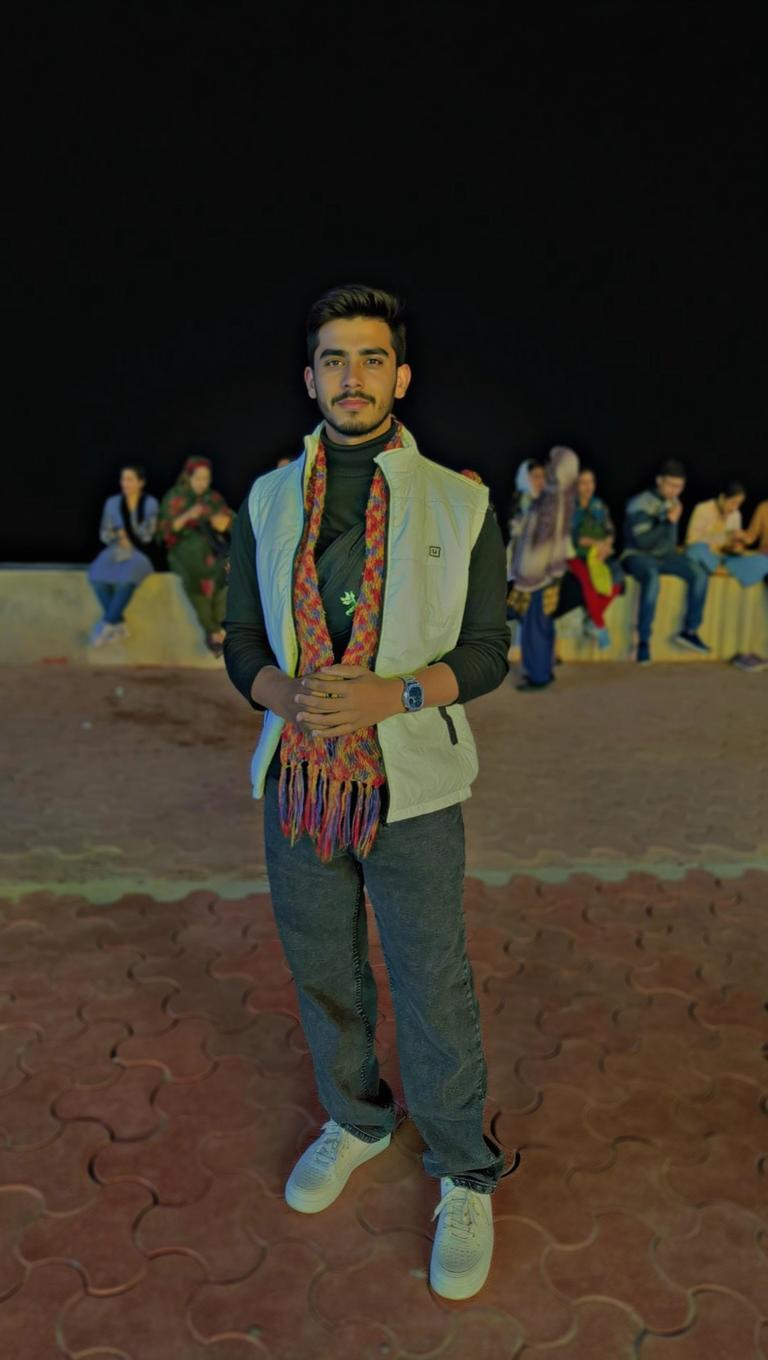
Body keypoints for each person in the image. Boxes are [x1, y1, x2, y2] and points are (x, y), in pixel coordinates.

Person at [223, 284, 514, 1301]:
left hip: (412, 782)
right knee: (325, 968)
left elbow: (487, 651)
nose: (354, 378)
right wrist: (287, 696)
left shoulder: (458, 501)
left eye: (373, 358)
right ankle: (355, 1117)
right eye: (335, 360)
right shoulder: (266, 499)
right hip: (299, 780)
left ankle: (465, 1172)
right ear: (309, 379)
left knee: (431, 981)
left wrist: (391, 693)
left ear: (402, 375)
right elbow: (244, 646)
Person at [622, 459, 710, 664]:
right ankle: (643, 642)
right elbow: (642, 541)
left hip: (665, 557)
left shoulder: (675, 502)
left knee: (699, 573)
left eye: (679, 486)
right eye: (670, 484)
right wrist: (667, 521)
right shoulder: (639, 503)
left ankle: (690, 630)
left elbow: (670, 542)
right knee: (652, 578)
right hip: (637, 555)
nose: (674, 490)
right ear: (659, 480)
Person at [507, 446, 579, 689]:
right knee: (539, 623)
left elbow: (541, 542)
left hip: (538, 573)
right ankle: (543, 669)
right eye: (534, 476)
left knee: (536, 625)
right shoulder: (525, 502)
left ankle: (539, 676)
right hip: (538, 572)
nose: (541, 479)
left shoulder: (548, 502)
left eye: (543, 474)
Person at [157, 456, 232, 656]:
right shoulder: (175, 497)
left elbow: (232, 520)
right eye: (198, 478)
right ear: (188, 477)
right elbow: (165, 530)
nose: (202, 483)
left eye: (206, 479)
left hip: (213, 552)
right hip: (184, 551)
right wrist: (187, 515)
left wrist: (225, 522)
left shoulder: (213, 499)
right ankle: (214, 631)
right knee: (196, 579)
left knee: (229, 573)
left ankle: (217, 628)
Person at [86, 465, 159, 646]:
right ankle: (117, 624)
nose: (125, 483)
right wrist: (117, 536)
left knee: (127, 579)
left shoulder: (149, 503)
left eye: (130, 479)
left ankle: (108, 623)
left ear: (140, 482)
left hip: (140, 552)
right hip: (116, 548)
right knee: (96, 576)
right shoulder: (112, 503)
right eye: (123, 479)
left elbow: (148, 533)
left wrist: (129, 537)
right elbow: (104, 532)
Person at [566, 468, 624, 648]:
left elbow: (610, 531)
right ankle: (599, 624)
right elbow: (573, 538)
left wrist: (606, 546)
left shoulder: (599, 505)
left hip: (598, 554)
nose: (587, 487)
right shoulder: (569, 506)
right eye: (583, 482)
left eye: (590, 482)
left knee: (618, 578)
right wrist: (593, 543)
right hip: (574, 555)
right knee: (587, 581)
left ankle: (593, 618)